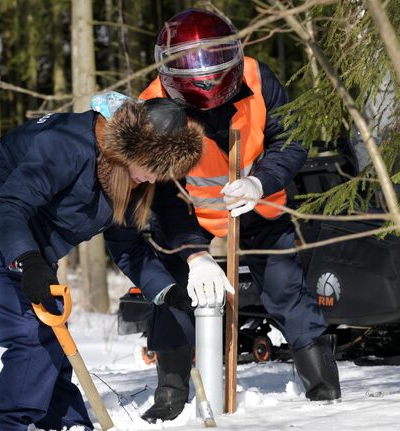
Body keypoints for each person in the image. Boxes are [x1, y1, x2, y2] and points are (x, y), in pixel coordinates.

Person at [0, 97, 203, 431]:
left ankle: (69, 423)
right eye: (152, 169)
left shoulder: (128, 178)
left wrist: (166, 291)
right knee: (31, 340)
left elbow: (128, 248)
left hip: (30, 247)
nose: (153, 181)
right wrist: (28, 260)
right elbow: (7, 206)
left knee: (52, 339)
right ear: (133, 150)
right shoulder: (69, 144)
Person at [136, 9, 342, 423]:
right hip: (187, 215)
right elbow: (156, 191)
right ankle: (171, 394)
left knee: (287, 291)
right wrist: (194, 254)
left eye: (216, 69)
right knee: (175, 296)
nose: (209, 81)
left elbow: (291, 136)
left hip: (258, 204)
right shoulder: (151, 106)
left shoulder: (255, 76)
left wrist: (261, 182)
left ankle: (325, 391)